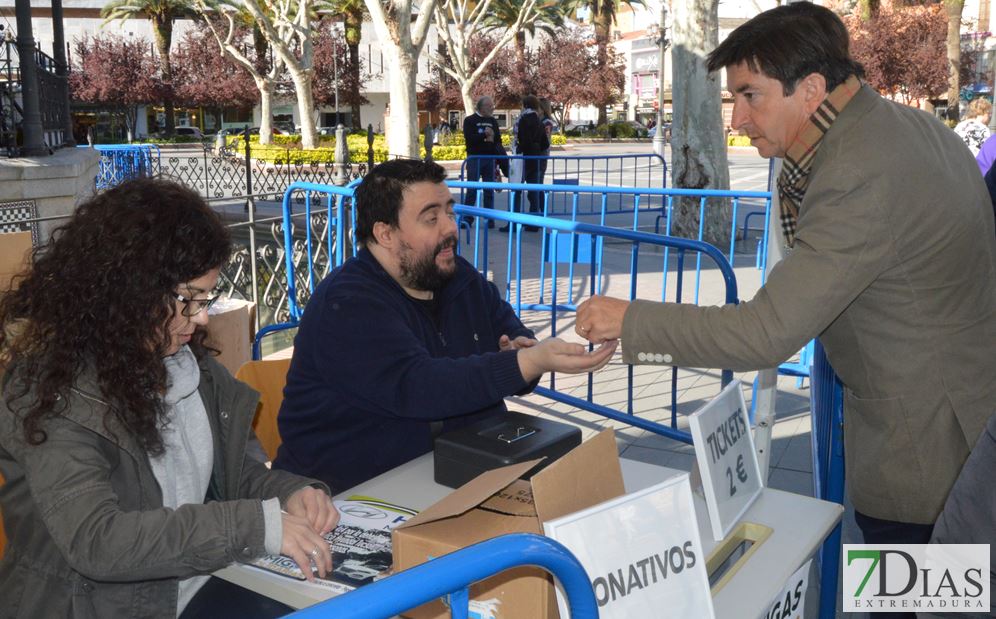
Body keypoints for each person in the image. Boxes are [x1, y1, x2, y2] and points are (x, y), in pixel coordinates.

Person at [576, 2, 996, 576]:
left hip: (925, 455)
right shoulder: (905, 126)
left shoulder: (856, 171)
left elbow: (765, 333)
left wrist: (629, 320)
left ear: (812, 89)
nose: (738, 119)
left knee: (908, 602)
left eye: (751, 96)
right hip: (958, 424)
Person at [0, 178, 339, 618]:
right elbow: (97, 541)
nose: (202, 318)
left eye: (205, 298)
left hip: (194, 586)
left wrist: (289, 493)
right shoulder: (51, 388)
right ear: (130, 289)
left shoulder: (187, 365)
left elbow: (230, 475)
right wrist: (254, 526)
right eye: (189, 298)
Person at [273, 160, 617, 492]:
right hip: (345, 493)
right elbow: (419, 386)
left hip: (459, 469)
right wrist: (524, 363)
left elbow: (511, 335)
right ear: (385, 233)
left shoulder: (458, 276)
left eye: (450, 213)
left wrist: (521, 351)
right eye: (431, 218)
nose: (450, 228)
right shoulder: (347, 303)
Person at [509, 95, 549, 230]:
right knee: (534, 191)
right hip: (536, 158)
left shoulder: (523, 119)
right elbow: (545, 143)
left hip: (523, 158)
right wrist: (536, 148)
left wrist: (521, 148)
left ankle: (513, 221)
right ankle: (534, 222)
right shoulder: (539, 120)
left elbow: (524, 140)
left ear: (525, 105)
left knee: (516, 190)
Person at [462, 96, 503, 227]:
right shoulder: (470, 120)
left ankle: (489, 219)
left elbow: (498, 140)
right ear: (481, 107)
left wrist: (492, 138)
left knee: (489, 190)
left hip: (489, 159)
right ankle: (467, 218)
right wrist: (484, 135)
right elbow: (470, 139)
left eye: (492, 106)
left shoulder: (492, 121)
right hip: (475, 158)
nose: (492, 108)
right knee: (472, 189)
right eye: (489, 106)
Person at [538, 98, 557, 185]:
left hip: (543, 152)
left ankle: (540, 193)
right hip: (538, 151)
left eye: (537, 107)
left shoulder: (547, 122)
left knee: (539, 177)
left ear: (543, 109)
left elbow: (545, 137)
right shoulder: (539, 120)